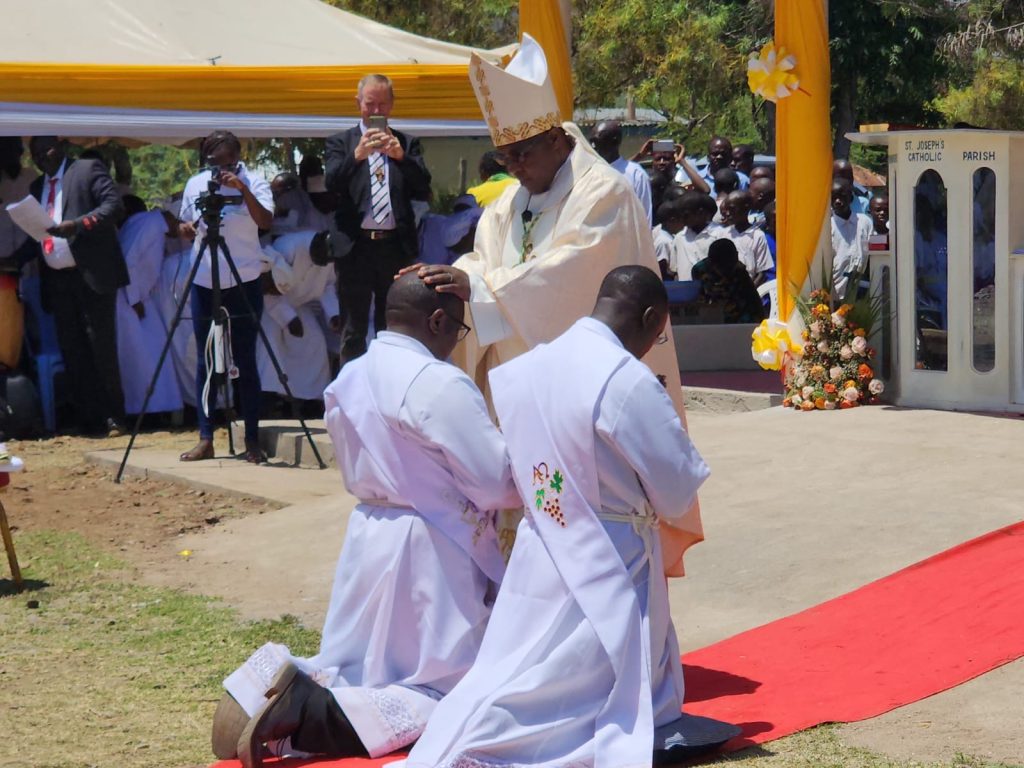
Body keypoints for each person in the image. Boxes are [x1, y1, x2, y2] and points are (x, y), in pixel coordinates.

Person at [407, 33, 704, 571]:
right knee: (522, 540)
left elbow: (571, 276)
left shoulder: (603, 195)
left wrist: (481, 287)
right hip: (515, 389)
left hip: (577, 400)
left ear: (556, 139)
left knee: (579, 538)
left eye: (522, 153)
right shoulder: (505, 206)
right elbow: (481, 260)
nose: (514, 166)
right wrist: (458, 280)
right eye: (504, 156)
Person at [402, 266, 720, 768]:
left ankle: (473, 733)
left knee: (516, 659)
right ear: (650, 317)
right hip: (612, 554)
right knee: (578, 683)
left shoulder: (532, 365)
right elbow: (677, 485)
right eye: (655, 336)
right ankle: (492, 748)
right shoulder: (625, 379)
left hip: (539, 542)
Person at [216, 274, 520, 768]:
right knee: (447, 688)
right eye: (456, 331)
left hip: (369, 533)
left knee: (359, 664)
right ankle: (307, 712)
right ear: (437, 320)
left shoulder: (350, 376)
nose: (453, 344)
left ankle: (261, 685)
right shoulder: (438, 382)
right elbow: (492, 481)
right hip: (432, 549)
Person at [19, 137, 129, 436]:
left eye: (48, 149)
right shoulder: (36, 188)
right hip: (58, 280)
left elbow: (113, 207)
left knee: (100, 348)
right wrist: (12, 260)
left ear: (62, 147)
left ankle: (114, 417)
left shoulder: (87, 169)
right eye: (37, 153)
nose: (43, 156)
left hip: (92, 274)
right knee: (72, 350)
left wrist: (77, 225)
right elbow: (37, 236)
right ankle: (88, 418)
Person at [177, 130, 274, 463]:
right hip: (205, 277)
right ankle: (206, 436)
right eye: (213, 163)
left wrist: (242, 189)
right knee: (206, 360)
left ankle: (251, 439)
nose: (219, 169)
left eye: (226, 162)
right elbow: (184, 223)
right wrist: (186, 229)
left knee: (245, 359)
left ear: (237, 156)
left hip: (244, 276)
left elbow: (265, 221)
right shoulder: (195, 183)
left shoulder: (256, 181)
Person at [325, 73, 432, 365]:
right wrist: (357, 156)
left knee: (395, 329)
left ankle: (389, 390)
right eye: (370, 104)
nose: (376, 112)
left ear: (392, 105)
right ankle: (351, 399)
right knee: (353, 330)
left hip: (394, 248)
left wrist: (400, 158)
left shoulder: (407, 143)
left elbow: (423, 186)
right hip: (355, 248)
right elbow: (331, 184)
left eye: (383, 105)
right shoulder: (341, 142)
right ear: (358, 103)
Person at [115, 199, 184, 417]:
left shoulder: (150, 224)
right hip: (129, 299)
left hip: (140, 298)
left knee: (155, 353)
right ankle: (145, 411)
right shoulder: (150, 224)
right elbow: (128, 259)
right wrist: (134, 298)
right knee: (143, 358)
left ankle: (160, 408)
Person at [256, 230, 339, 403]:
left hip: (299, 304)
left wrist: (333, 314)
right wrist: (288, 319)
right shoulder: (288, 246)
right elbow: (268, 287)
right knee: (270, 340)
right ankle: (268, 396)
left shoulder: (330, 256)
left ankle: (311, 397)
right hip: (273, 306)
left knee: (315, 341)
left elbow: (327, 286)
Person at [590, 120, 653, 225]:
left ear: (614, 142)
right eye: (591, 142)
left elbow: (645, 218)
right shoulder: (588, 172)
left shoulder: (636, 175)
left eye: (597, 142)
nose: (593, 147)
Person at [692, 239, 766, 323]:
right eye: (723, 267)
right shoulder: (700, 270)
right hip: (711, 316)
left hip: (738, 318)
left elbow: (753, 299)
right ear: (712, 262)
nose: (727, 271)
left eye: (731, 266)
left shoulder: (739, 270)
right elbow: (698, 300)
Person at [830, 179, 873, 300]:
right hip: (836, 296)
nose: (838, 201)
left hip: (862, 294)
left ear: (850, 197)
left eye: (842, 197)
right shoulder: (828, 227)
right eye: (834, 197)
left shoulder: (865, 223)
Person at [720, 190, 773, 285]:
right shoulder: (723, 234)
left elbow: (761, 273)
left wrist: (748, 292)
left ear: (746, 208)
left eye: (732, 209)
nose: (728, 214)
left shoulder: (757, 235)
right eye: (726, 210)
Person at [671, 191, 724, 281]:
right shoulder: (680, 237)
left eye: (686, 215)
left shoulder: (720, 235)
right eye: (680, 216)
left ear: (700, 213)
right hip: (686, 291)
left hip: (712, 291)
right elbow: (675, 271)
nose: (682, 219)